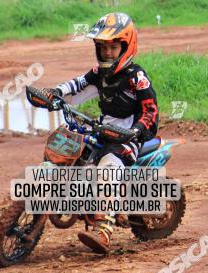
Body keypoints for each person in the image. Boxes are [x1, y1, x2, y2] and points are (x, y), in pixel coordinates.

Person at [41, 12, 159, 254]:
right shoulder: (100, 73)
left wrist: (137, 129)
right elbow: (78, 84)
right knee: (73, 148)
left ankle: (104, 231)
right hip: (103, 131)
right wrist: (55, 92)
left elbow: (151, 111)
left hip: (128, 138)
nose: (107, 53)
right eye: (103, 48)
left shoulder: (137, 77)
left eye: (113, 48)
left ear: (126, 46)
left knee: (107, 168)